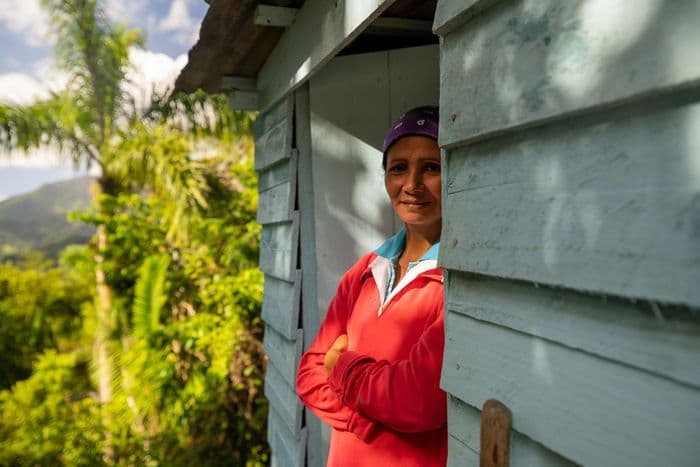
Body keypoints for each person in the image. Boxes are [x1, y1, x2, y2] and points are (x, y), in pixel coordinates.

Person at [296, 106, 447, 466]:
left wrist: (342, 365)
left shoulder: (455, 280)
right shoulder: (365, 271)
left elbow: (419, 401)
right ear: (385, 177)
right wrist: (363, 421)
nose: (412, 185)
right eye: (398, 168)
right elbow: (308, 375)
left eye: (431, 167)